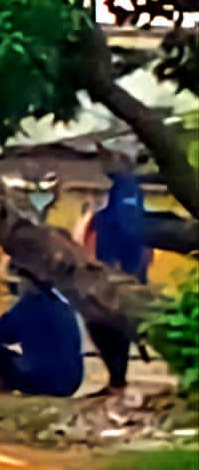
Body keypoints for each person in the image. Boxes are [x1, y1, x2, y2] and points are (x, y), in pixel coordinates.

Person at [87, 164, 152, 393]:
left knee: (103, 328)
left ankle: (117, 380)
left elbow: (91, 248)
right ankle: (117, 380)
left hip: (108, 284)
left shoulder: (101, 220)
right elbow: (147, 254)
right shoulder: (145, 221)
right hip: (130, 284)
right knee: (119, 331)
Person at [0, 273, 85, 397]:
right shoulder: (66, 307)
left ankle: (1, 392)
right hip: (71, 383)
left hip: (40, 381)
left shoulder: (27, 306)